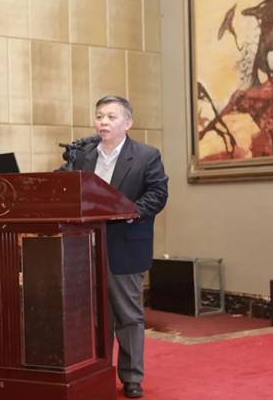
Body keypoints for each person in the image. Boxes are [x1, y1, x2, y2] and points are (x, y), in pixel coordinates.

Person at [73, 95, 168, 398]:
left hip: (125, 244)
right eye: (99, 116)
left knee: (128, 317)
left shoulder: (146, 155)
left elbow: (158, 194)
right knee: (93, 318)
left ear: (128, 123)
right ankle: (95, 372)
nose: (103, 122)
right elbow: (67, 190)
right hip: (86, 247)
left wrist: (130, 211)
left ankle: (131, 378)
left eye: (111, 117)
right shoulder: (83, 156)